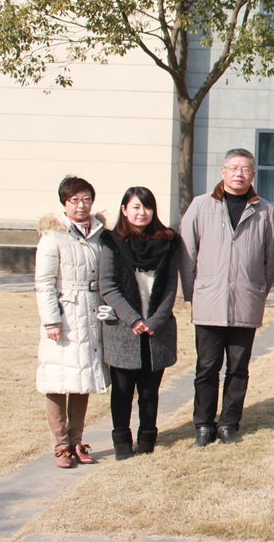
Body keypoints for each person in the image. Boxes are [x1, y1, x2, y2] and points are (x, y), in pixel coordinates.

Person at [180, 148, 274, 447]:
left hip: (245, 302)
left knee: (238, 369)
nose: (239, 173)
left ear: (253, 174)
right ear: (223, 171)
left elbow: (272, 256)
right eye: (233, 167)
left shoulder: (265, 210)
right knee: (206, 367)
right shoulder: (201, 206)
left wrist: (258, 290)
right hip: (208, 301)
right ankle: (203, 424)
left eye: (245, 169)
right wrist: (193, 294)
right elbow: (187, 254)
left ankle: (228, 423)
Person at [99, 187, 181, 459]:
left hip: (157, 329)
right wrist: (133, 319)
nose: (141, 212)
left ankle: (147, 440)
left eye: (146, 207)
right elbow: (108, 286)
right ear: (124, 210)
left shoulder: (167, 241)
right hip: (124, 328)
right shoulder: (111, 241)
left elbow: (170, 286)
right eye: (135, 207)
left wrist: (156, 320)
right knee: (122, 391)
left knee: (149, 391)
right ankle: (122, 443)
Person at [34, 176, 109, 468]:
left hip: (91, 314)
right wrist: (51, 320)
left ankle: (77, 441)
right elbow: (44, 283)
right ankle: (60, 446)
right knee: (56, 380)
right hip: (64, 316)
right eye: (74, 200)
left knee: (82, 379)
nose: (81, 205)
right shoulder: (54, 236)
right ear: (64, 203)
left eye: (86, 199)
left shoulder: (101, 234)